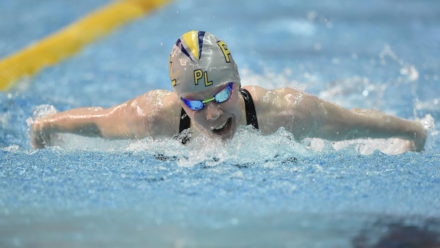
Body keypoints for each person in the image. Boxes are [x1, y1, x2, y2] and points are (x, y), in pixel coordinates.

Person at [31, 30, 427, 152]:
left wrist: (413, 134)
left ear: (238, 82)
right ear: (178, 100)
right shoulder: (153, 117)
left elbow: (357, 125)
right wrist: (42, 134)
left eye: (222, 96)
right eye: (196, 104)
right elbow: (72, 124)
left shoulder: (288, 113)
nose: (214, 114)